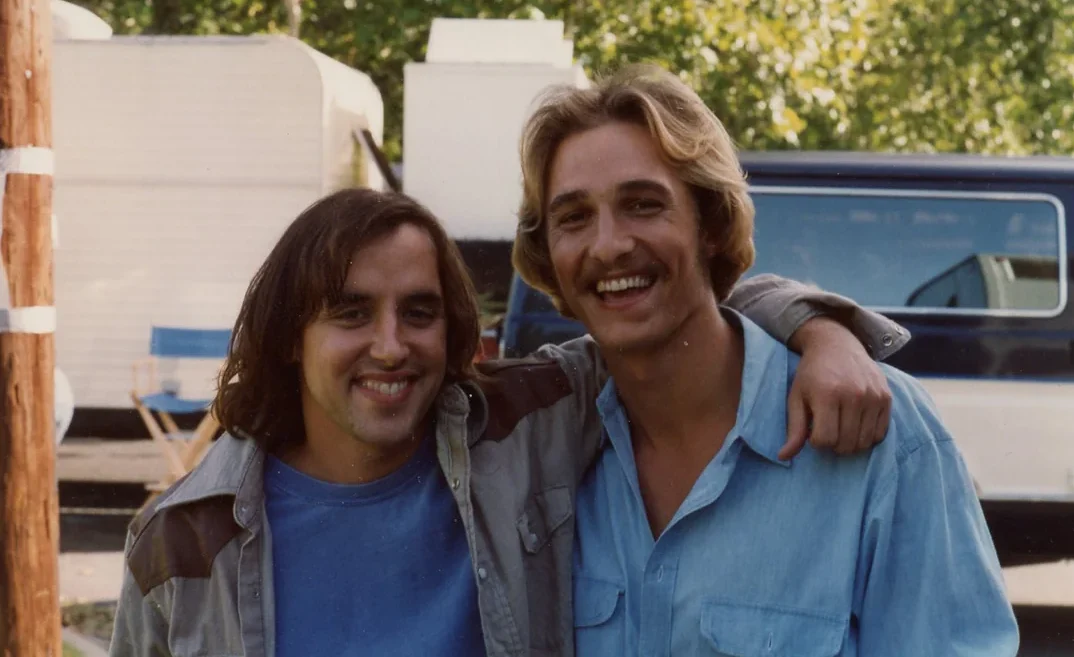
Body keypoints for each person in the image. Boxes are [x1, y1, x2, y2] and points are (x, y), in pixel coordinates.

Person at [108, 187, 905, 657]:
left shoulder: (516, 429)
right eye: (351, 313)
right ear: (291, 335)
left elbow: (677, 315)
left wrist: (816, 329)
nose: (391, 346)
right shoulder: (186, 539)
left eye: (418, 312)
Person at [511, 63, 1019, 656]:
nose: (609, 244)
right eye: (573, 217)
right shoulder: (541, 448)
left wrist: (822, 330)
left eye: (643, 205)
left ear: (710, 224)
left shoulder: (886, 439)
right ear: (548, 254)